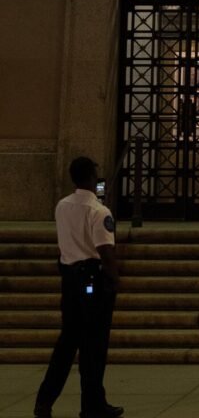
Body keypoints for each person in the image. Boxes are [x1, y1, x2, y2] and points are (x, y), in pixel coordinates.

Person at [34, 157, 123, 418]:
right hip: (92, 279)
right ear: (92, 178)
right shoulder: (99, 211)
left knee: (67, 343)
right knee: (93, 346)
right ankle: (92, 405)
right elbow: (105, 251)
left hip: (70, 279)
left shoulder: (62, 206)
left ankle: (44, 401)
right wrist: (114, 281)